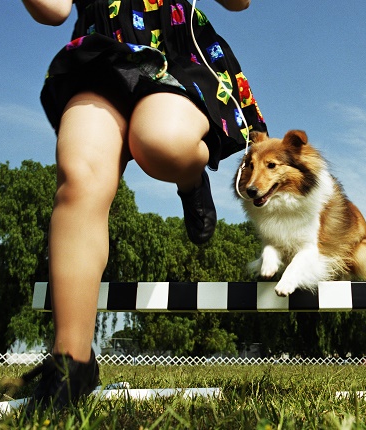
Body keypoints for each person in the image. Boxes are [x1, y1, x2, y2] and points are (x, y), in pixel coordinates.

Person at [20, 0, 266, 412]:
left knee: (160, 143)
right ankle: (71, 364)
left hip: (171, 54)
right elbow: (54, 10)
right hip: (100, 56)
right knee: (78, 177)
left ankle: (190, 180)